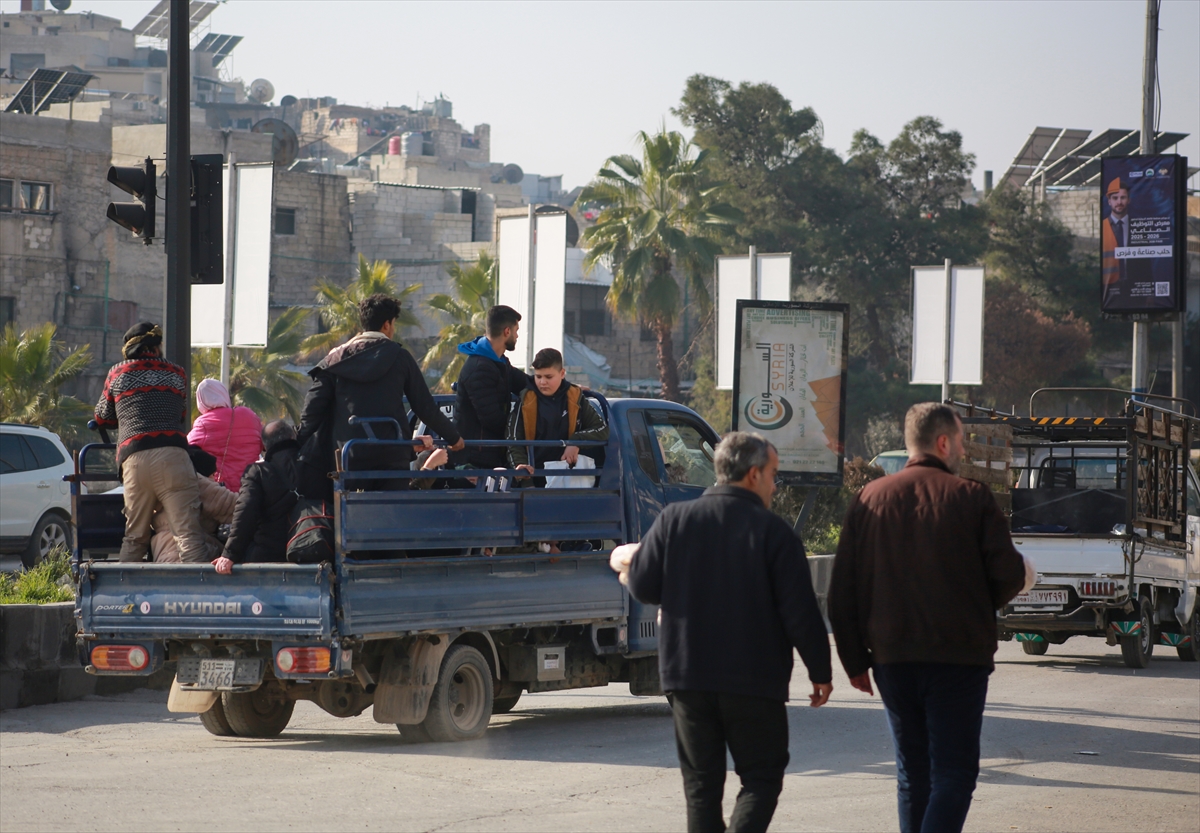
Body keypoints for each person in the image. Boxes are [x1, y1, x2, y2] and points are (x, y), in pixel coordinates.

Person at [828, 403, 1034, 833]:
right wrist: (978, 604)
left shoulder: (868, 499)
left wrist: (854, 661)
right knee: (954, 775)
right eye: (960, 441)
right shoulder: (972, 498)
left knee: (912, 773)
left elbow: (842, 591)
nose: (961, 449)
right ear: (943, 442)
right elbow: (1010, 574)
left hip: (891, 660)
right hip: (958, 659)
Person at [612, 432, 832, 833]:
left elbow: (642, 588)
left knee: (701, 786)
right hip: (754, 680)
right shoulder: (775, 534)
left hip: (687, 677)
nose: (775, 484)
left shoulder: (674, 520)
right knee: (762, 778)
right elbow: (801, 613)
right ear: (752, 475)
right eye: (773, 475)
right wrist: (821, 671)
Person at [297, 294, 464, 494]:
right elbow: (424, 406)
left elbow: (312, 409)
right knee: (391, 517)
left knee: (350, 517)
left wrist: (295, 443)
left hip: (349, 457)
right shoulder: (400, 357)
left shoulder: (335, 360)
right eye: (393, 324)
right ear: (386, 325)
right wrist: (454, 438)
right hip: (392, 457)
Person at [94, 322, 207, 563]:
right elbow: (181, 416)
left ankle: (124, 597)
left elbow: (102, 416)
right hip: (174, 458)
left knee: (135, 537)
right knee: (188, 536)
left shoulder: (117, 372)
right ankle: (200, 595)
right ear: (156, 347)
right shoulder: (177, 373)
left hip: (134, 461)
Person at [508, 347, 608, 481]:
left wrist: (575, 442)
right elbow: (513, 438)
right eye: (538, 376)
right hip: (533, 479)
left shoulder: (575, 397)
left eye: (549, 377)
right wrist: (521, 468)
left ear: (562, 373)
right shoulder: (526, 400)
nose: (542, 382)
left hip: (566, 479)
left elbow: (602, 430)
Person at [454, 305, 531, 470]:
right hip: (476, 459)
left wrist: (566, 388)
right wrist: (521, 430)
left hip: (490, 454)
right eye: (516, 330)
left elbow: (526, 383)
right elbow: (491, 419)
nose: (517, 336)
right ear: (507, 332)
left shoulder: (499, 361)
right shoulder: (479, 367)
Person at [187, 378, 263, 491]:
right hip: (252, 487)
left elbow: (186, 450)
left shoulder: (203, 423)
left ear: (201, 401)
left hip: (223, 491)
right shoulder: (249, 415)